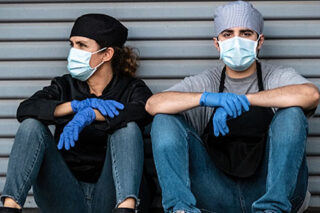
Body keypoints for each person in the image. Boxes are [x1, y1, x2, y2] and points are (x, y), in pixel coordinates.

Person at [145, 1, 319, 213]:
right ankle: (181, 209)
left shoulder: (277, 76)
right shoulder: (206, 81)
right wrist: (207, 98)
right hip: (215, 192)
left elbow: (311, 94)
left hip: (267, 189)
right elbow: (153, 104)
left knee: (292, 113)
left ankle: (273, 209)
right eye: (227, 34)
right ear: (217, 44)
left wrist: (246, 100)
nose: (236, 40)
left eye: (245, 33)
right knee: (164, 119)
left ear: (259, 41)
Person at [0, 14, 152, 213]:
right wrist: (75, 106)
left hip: (111, 195)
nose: (74, 52)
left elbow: (144, 110)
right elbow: (26, 109)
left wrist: (91, 114)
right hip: (66, 195)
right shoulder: (64, 85)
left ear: (106, 54)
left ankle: (126, 209)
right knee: (31, 126)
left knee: (128, 128)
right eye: (72, 45)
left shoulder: (131, 88)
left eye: (82, 45)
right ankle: (9, 208)